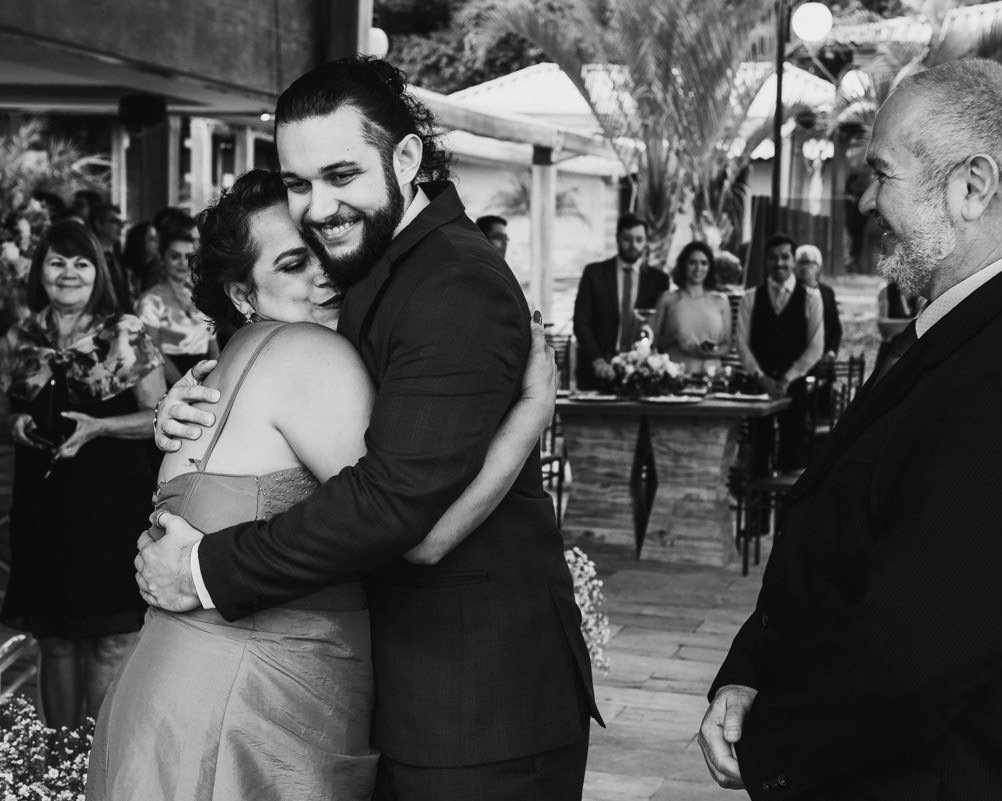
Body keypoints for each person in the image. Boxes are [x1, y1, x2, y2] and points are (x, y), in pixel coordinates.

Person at [135, 56, 599, 801]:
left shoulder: (452, 282)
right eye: (298, 183)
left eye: (342, 175)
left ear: (407, 157)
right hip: (406, 695)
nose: (319, 209)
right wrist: (184, 409)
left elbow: (400, 511)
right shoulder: (374, 267)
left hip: (476, 709)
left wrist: (204, 568)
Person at [700, 59, 1002, 799]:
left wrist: (772, 747)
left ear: (972, 187)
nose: (868, 199)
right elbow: (847, 536)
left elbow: (912, 655)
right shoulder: (981, 329)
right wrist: (751, 669)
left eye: (883, 173)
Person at [0, 219, 165, 728]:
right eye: (57, 261)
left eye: (81, 262)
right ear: (39, 271)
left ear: (99, 271)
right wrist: (17, 424)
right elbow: (3, 414)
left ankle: (97, 765)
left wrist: (99, 427)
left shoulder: (125, 332)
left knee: (110, 639)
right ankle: (60, 758)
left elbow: (161, 416)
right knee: (55, 639)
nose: (68, 272)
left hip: (109, 505)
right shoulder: (20, 337)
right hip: (43, 506)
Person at [736, 232, 824, 474]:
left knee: (792, 458)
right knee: (756, 458)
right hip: (757, 390)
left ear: (794, 260)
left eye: (785, 257)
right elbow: (741, 344)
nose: (779, 263)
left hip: (794, 388)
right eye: (773, 257)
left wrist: (787, 379)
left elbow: (816, 346)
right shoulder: (750, 298)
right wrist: (762, 378)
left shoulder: (811, 299)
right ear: (766, 260)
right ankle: (758, 513)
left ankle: (787, 512)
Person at [573, 212, 670, 389]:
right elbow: (581, 323)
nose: (633, 245)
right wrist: (597, 360)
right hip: (598, 368)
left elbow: (660, 326)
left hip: (641, 372)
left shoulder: (658, 280)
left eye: (639, 239)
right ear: (617, 238)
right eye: (627, 238)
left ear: (646, 241)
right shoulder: (594, 274)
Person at [135, 226, 218, 383]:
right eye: (175, 256)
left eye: (188, 256)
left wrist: (216, 379)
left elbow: (213, 346)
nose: (182, 263)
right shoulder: (150, 300)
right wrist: (184, 384)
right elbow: (153, 351)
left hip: (205, 377)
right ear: (162, 258)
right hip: (168, 380)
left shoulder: (202, 296)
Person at [650, 240, 731, 374]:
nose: (698, 268)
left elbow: (727, 344)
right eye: (692, 262)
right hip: (675, 375)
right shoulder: (668, 299)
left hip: (711, 375)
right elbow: (650, 341)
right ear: (683, 265)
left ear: (710, 267)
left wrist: (706, 352)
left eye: (704, 263)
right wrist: (672, 338)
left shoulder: (721, 301)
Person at [796, 244, 841, 362]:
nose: (804, 267)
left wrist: (832, 351)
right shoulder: (790, 292)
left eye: (809, 263)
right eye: (800, 262)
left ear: (818, 266)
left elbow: (835, 328)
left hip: (823, 358)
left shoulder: (827, 293)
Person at [875, 279, 926, 368]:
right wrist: (914, 323)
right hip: (890, 350)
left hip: (911, 351)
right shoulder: (886, 290)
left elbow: (924, 324)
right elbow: (882, 324)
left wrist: (895, 327)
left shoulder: (919, 293)